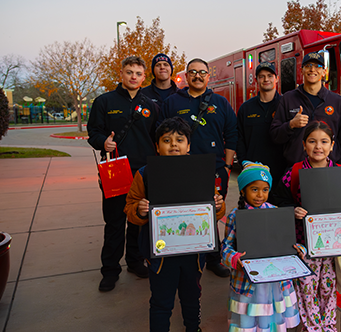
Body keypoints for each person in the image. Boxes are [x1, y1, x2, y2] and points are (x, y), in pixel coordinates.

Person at [124, 117, 226, 332]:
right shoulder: (145, 174)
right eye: (166, 140)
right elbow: (130, 208)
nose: (173, 145)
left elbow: (214, 210)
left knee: (192, 297)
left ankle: (193, 327)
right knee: (161, 302)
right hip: (160, 255)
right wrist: (139, 209)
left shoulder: (201, 171)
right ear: (157, 146)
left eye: (179, 140)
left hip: (194, 253)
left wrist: (217, 206)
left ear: (188, 145)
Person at [275, 121, 341, 331]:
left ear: (332, 145)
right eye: (312, 141)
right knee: (306, 288)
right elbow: (279, 200)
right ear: (304, 145)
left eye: (324, 141)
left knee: (328, 287)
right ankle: (312, 326)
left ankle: (329, 325)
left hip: (335, 247)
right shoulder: (295, 172)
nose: (318, 147)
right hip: (305, 246)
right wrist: (293, 210)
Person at [158, 58, 238, 278]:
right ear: (186, 75)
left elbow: (232, 135)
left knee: (212, 213)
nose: (197, 76)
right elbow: (160, 133)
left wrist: (228, 166)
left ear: (208, 76)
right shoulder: (172, 103)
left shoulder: (220, 103)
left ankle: (213, 258)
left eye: (202, 72)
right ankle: (185, 255)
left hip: (214, 169)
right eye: (193, 72)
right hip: (179, 170)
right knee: (183, 213)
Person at [88, 55, 158, 292]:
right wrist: (102, 143)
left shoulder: (151, 105)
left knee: (138, 221)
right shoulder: (104, 102)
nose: (133, 77)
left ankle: (135, 261)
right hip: (115, 170)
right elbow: (93, 132)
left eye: (138, 73)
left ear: (143, 77)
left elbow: (157, 137)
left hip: (143, 172)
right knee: (115, 222)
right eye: (129, 72)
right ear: (121, 74)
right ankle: (110, 270)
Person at [221, 161, 301, 331]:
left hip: (274, 282)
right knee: (249, 319)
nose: (260, 195)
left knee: (270, 319)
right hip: (248, 282)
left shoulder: (274, 211)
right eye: (254, 189)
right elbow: (226, 248)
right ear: (243, 190)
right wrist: (235, 258)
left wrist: (298, 250)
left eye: (265, 190)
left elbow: (286, 243)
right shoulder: (236, 216)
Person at [270, 52, 341, 167]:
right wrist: (291, 125)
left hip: (329, 170)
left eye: (317, 66)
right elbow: (275, 136)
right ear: (301, 70)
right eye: (308, 66)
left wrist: (340, 166)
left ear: (324, 72)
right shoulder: (288, 99)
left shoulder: (338, 102)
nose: (312, 69)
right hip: (296, 168)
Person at [236, 61, 285, 204]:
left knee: (280, 215)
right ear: (256, 80)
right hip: (254, 173)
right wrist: (244, 162)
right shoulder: (246, 108)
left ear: (277, 78)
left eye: (270, 75)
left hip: (281, 171)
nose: (266, 79)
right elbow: (240, 138)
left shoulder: (286, 104)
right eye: (262, 76)